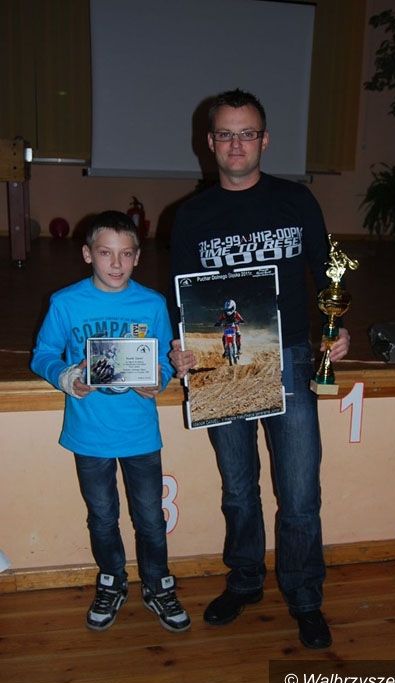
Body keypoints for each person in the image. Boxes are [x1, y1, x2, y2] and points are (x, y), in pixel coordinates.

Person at [169, 89, 350, 649]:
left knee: (299, 494)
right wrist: (181, 348)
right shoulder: (189, 216)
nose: (236, 144)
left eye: (247, 133)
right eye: (226, 134)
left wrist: (336, 328)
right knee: (238, 489)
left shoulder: (297, 201)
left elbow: (328, 273)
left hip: (290, 357)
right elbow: (183, 299)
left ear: (265, 140)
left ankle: (305, 597)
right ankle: (245, 581)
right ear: (210, 142)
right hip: (222, 363)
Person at [31, 210, 190, 634]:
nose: (116, 264)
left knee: (150, 518)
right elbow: (42, 354)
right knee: (101, 517)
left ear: (138, 256)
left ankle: (157, 583)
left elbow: (163, 360)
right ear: (88, 254)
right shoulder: (65, 302)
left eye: (125, 254)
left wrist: (158, 379)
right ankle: (112, 580)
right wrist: (67, 377)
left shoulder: (152, 303)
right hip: (89, 434)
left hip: (140, 433)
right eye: (105, 253)